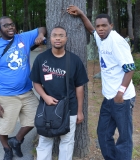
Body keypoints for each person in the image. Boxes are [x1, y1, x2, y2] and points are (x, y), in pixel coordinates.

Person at [67, 5, 136, 160]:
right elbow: (91, 30)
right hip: (108, 98)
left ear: (111, 26)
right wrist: (82, 14)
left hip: (122, 99)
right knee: (103, 133)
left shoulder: (116, 41)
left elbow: (130, 68)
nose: (100, 29)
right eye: (99, 26)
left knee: (124, 138)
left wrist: (120, 93)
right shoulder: (100, 36)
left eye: (104, 25)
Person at [0, 16, 46, 160]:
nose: (10, 27)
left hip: (26, 92)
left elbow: (42, 29)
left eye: (12, 24)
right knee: (3, 126)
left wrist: (41, 35)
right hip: (5, 95)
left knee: (38, 118)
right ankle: (7, 149)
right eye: (6, 26)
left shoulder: (22, 38)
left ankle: (16, 140)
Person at [30, 26, 88, 160]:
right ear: (50, 38)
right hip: (47, 107)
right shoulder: (41, 58)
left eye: (61, 35)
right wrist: (45, 97)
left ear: (66, 38)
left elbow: (80, 87)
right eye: (55, 35)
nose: (58, 38)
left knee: (67, 142)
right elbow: (36, 82)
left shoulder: (74, 60)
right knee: (45, 140)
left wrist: (79, 111)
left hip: (70, 108)